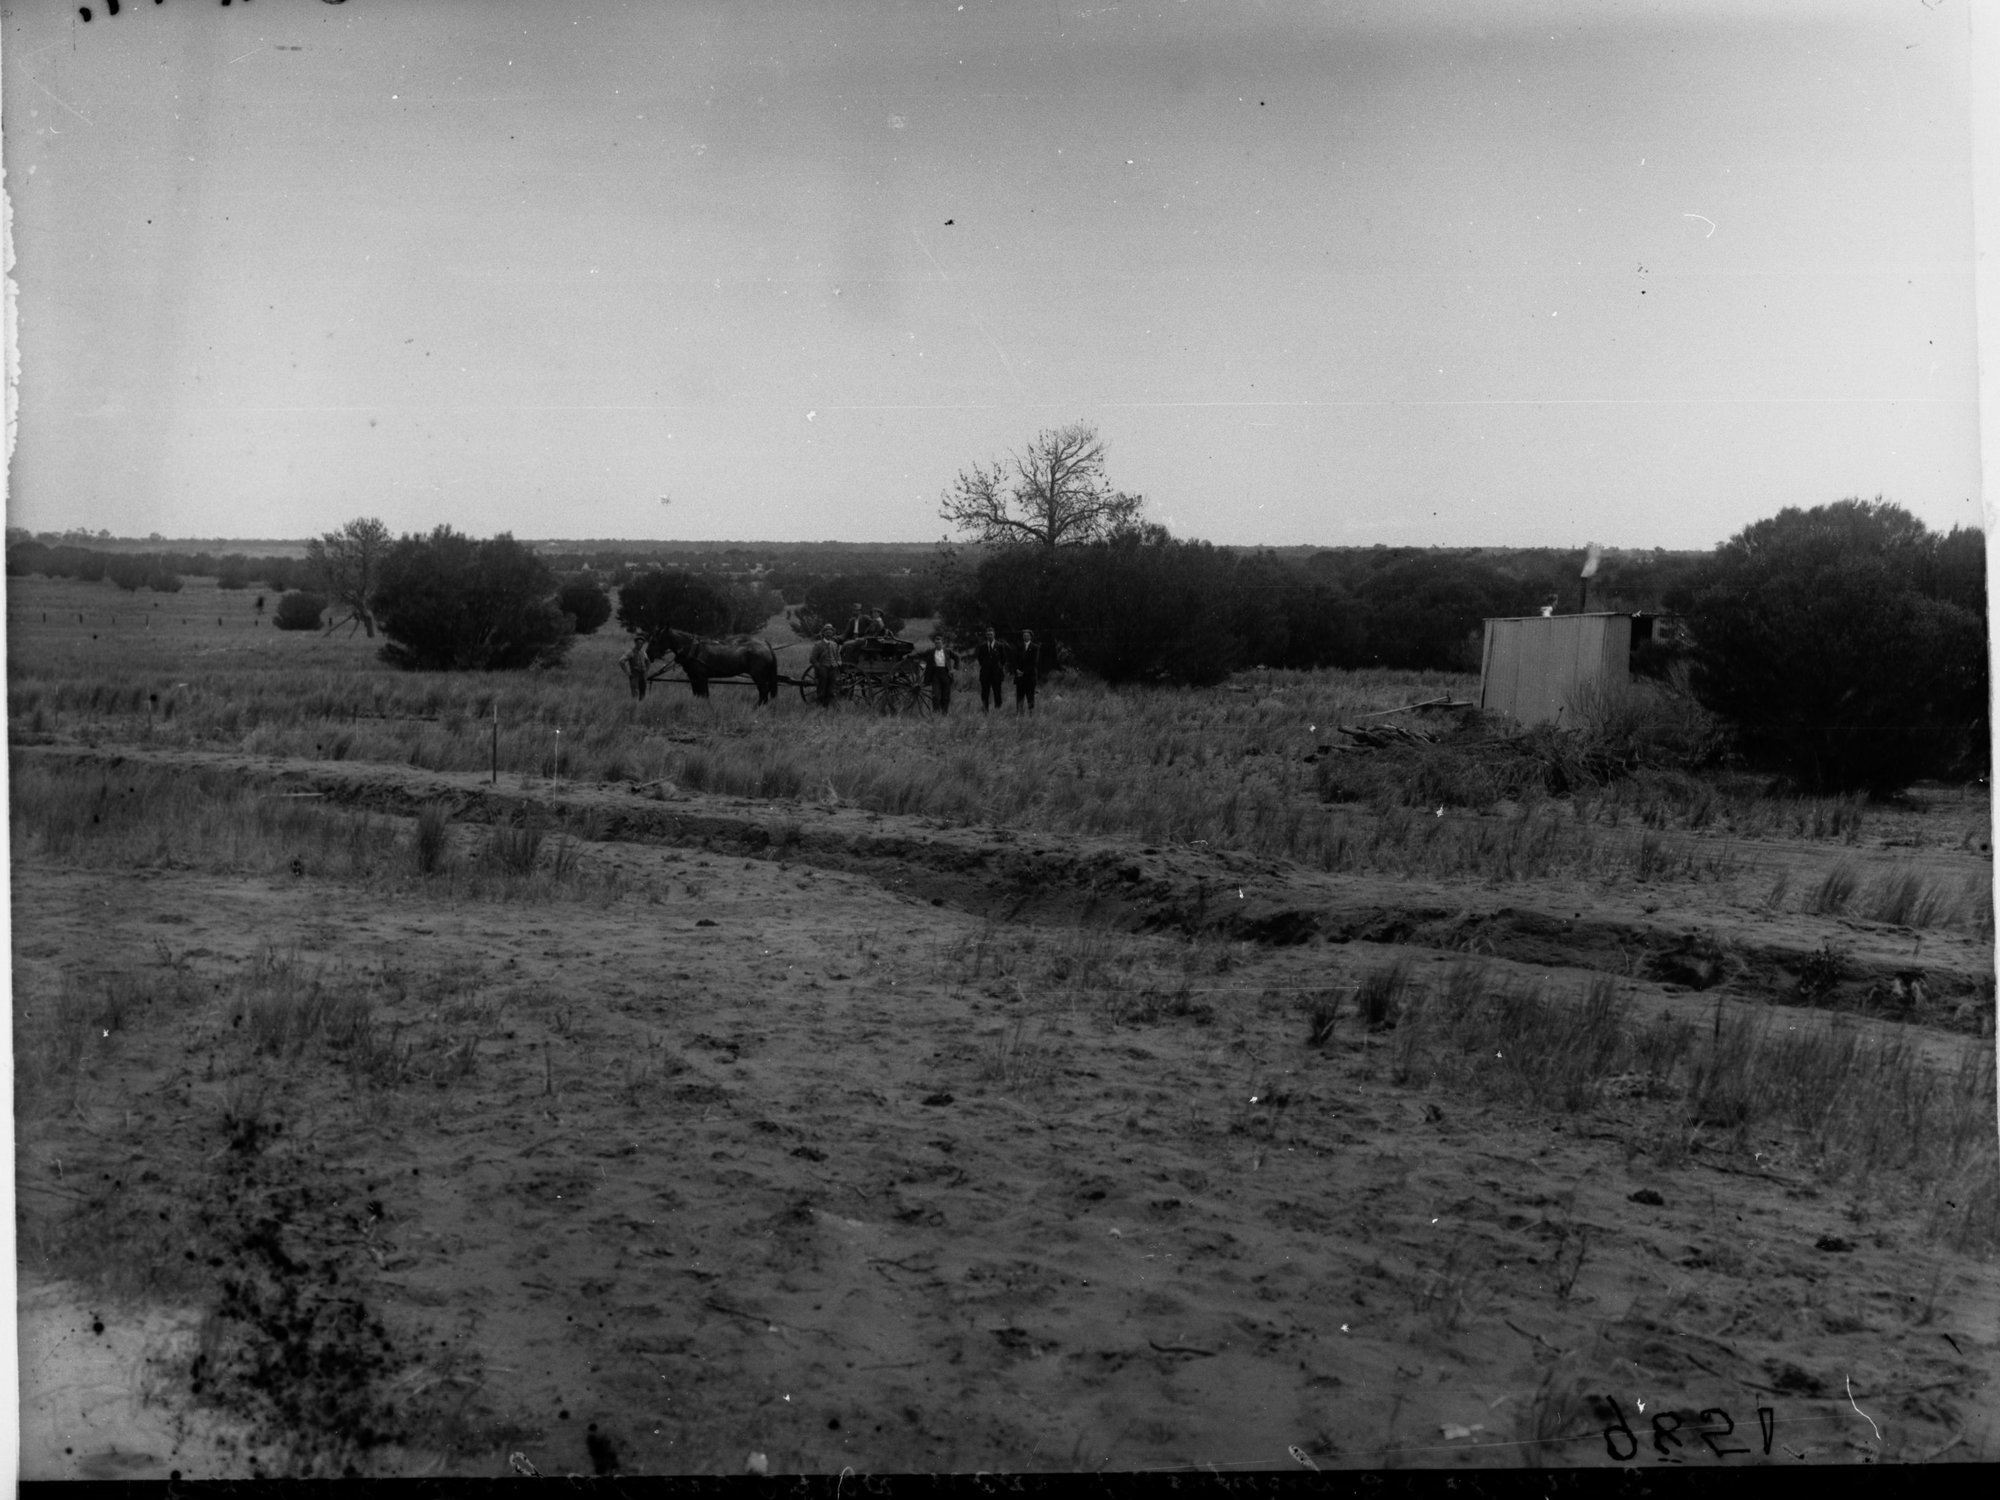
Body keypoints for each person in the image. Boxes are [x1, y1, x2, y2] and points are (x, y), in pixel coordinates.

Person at [922, 632, 959, 715]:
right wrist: (909, 656)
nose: (937, 644)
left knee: (945, 696)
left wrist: (955, 669)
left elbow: (957, 658)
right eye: (936, 643)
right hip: (935, 674)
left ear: (942, 643)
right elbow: (921, 654)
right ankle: (936, 713)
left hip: (946, 674)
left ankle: (944, 713)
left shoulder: (947, 651)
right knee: (936, 695)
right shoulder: (931, 651)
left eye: (939, 643)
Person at [973, 626, 1009, 711]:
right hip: (985, 673)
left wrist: (998, 666)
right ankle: (985, 710)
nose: (989, 636)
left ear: (994, 634)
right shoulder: (982, 646)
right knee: (985, 693)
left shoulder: (1000, 645)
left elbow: (1003, 659)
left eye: (991, 634)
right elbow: (980, 659)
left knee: (997, 692)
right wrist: (986, 666)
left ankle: (998, 709)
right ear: (986, 635)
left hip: (997, 673)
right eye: (988, 634)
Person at [809, 624, 843, 707]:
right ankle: (820, 704)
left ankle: (827, 704)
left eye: (830, 632)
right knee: (822, 687)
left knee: (831, 688)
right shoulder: (818, 645)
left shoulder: (834, 645)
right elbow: (812, 659)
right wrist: (819, 667)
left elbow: (838, 656)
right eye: (827, 632)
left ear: (832, 634)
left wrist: (839, 662)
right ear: (823, 634)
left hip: (833, 668)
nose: (828, 634)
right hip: (823, 669)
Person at [1013, 629, 1039, 713]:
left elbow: (1034, 662)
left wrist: (1024, 672)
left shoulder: (1035, 647)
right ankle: (1019, 715)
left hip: (1030, 677)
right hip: (1020, 678)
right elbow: (1015, 660)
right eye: (1024, 635)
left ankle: (1031, 715)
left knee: (1030, 697)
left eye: (1027, 635)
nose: (1025, 637)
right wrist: (1017, 670)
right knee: (1019, 698)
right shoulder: (1019, 647)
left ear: (1031, 637)